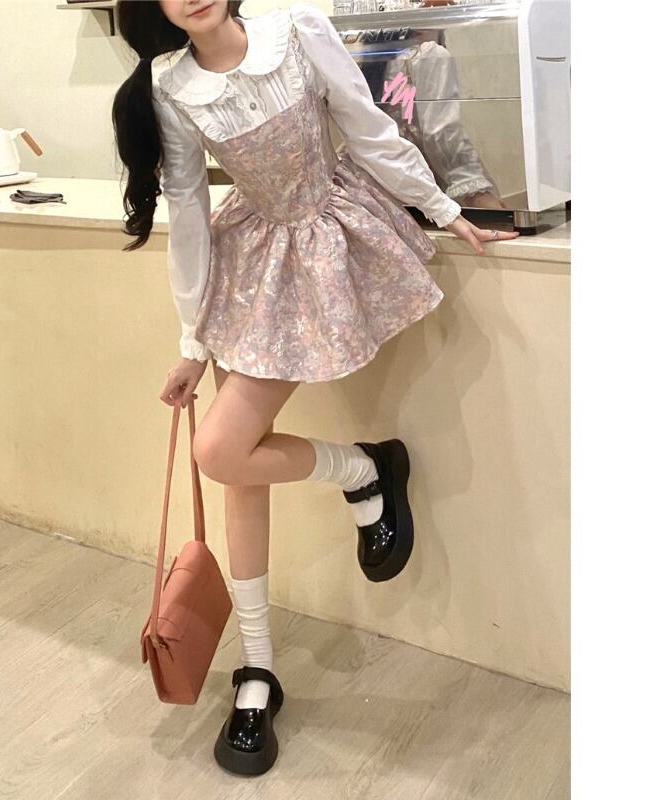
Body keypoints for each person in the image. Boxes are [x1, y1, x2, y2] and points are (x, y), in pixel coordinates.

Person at [111, 0, 519, 777]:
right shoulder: (170, 85)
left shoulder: (296, 30)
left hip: (322, 245)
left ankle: (365, 470)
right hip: (246, 264)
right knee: (239, 470)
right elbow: (189, 209)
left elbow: (368, 132)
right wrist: (192, 340)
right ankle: (258, 667)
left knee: (221, 450)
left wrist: (444, 208)